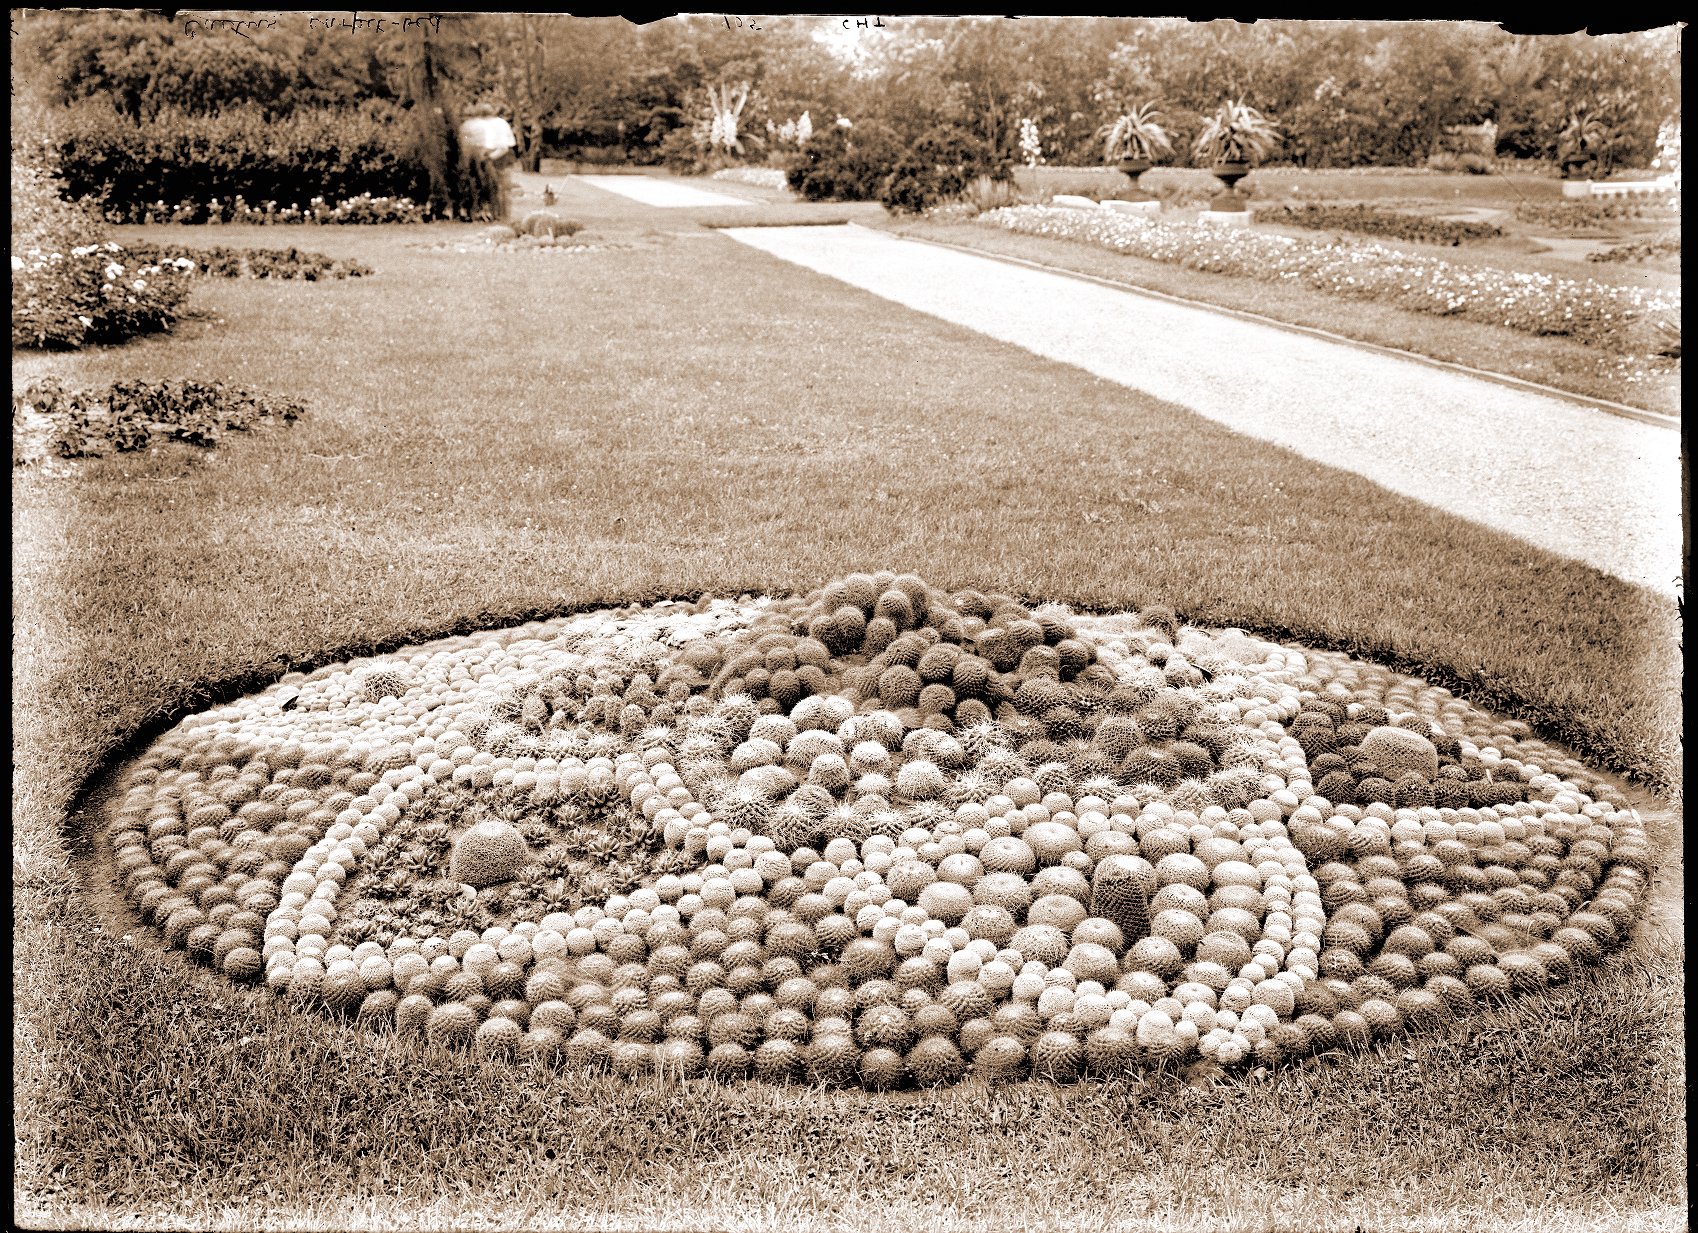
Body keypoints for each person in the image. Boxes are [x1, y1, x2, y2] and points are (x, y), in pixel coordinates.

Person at [458, 103, 517, 221]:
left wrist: (488, 157)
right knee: (500, 188)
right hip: (499, 155)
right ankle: (501, 215)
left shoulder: (491, 125)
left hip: (497, 155)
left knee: (499, 187)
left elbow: (502, 147)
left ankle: (501, 215)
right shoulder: (501, 122)